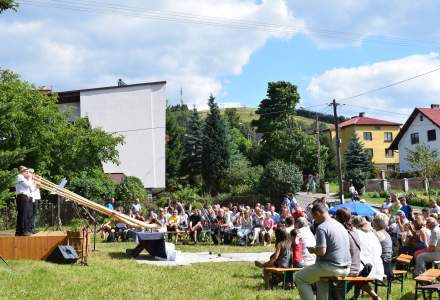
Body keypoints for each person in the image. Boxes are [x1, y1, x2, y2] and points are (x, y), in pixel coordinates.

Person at [294, 203, 351, 300]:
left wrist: (312, 250)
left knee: (298, 277)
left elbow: (321, 252)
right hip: (346, 268)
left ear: (317, 213)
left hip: (331, 267)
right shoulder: (340, 225)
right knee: (321, 280)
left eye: (314, 217)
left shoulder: (322, 227)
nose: (314, 220)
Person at [15, 166, 34, 236]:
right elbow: (27, 185)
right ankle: (22, 231)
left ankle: (20, 231)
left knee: (23, 214)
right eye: (25, 170)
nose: (27, 172)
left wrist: (29, 178)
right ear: (21, 171)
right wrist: (29, 178)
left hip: (24, 196)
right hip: (22, 196)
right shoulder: (19, 176)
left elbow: (30, 188)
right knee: (22, 214)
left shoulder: (22, 177)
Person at [28, 169, 41, 234]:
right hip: (32, 198)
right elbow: (32, 189)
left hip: (36, 198)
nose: (34, 174)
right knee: (31, 213)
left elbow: (38, 186)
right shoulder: (29, 180)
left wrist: (39, 180)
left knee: (34, 213)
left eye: (34, 173)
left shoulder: (34, 180)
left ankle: (33, 227)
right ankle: (31, 228)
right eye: (32, 173)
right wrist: (36, 183)